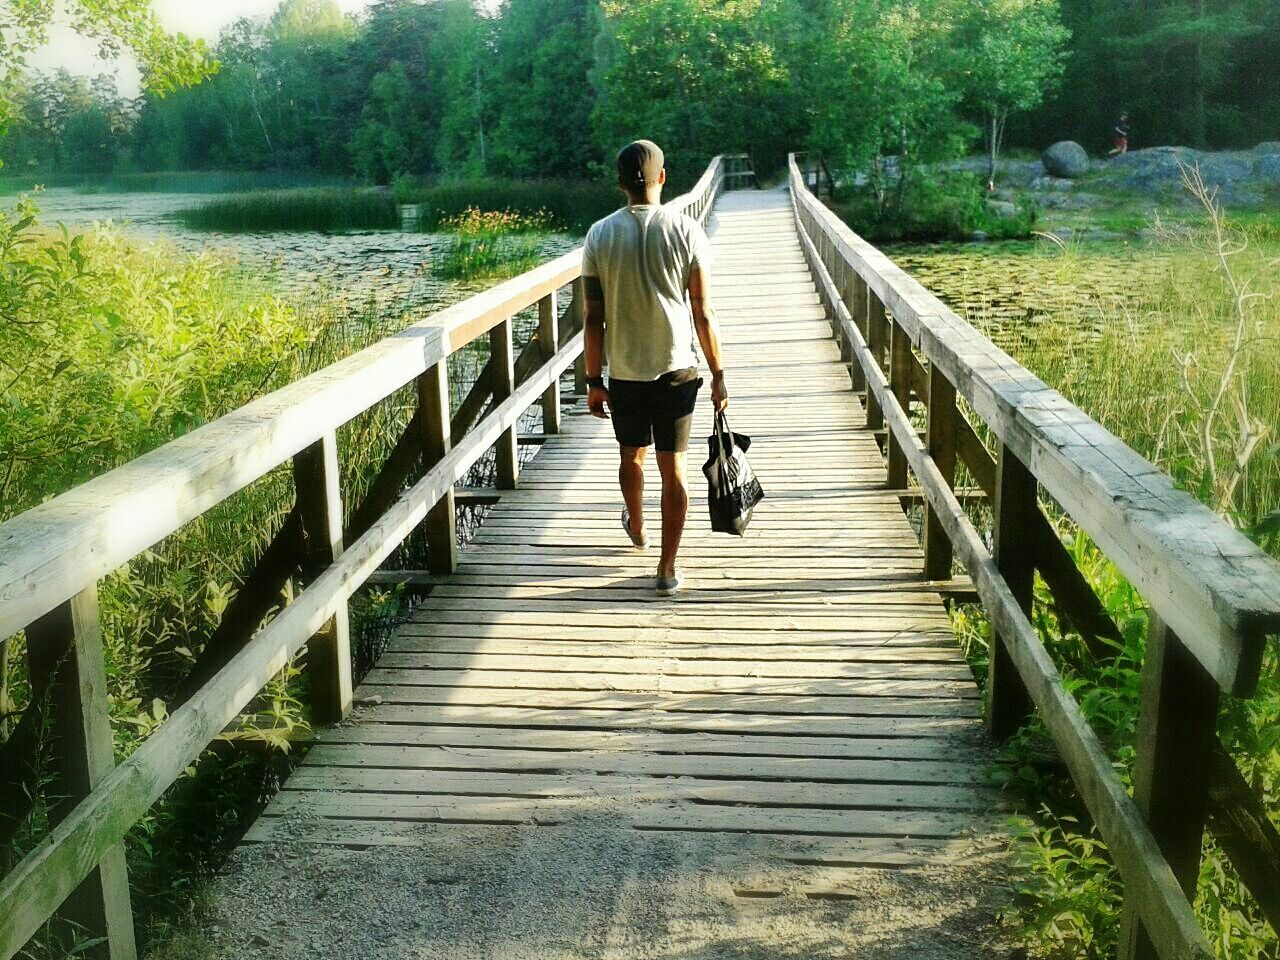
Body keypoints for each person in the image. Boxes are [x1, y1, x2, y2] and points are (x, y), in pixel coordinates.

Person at [581, 139, 729, 596]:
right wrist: (719, 374)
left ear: (620, 183)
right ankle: (667, 567)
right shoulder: (686, 231)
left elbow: (592, 317)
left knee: (630, 455)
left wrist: (592, 381)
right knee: (674, 468)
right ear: (663, 178)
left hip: (624, 371)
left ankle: (639, 526)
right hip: (677, 368)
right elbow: (702, 310)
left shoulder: (598, 235)